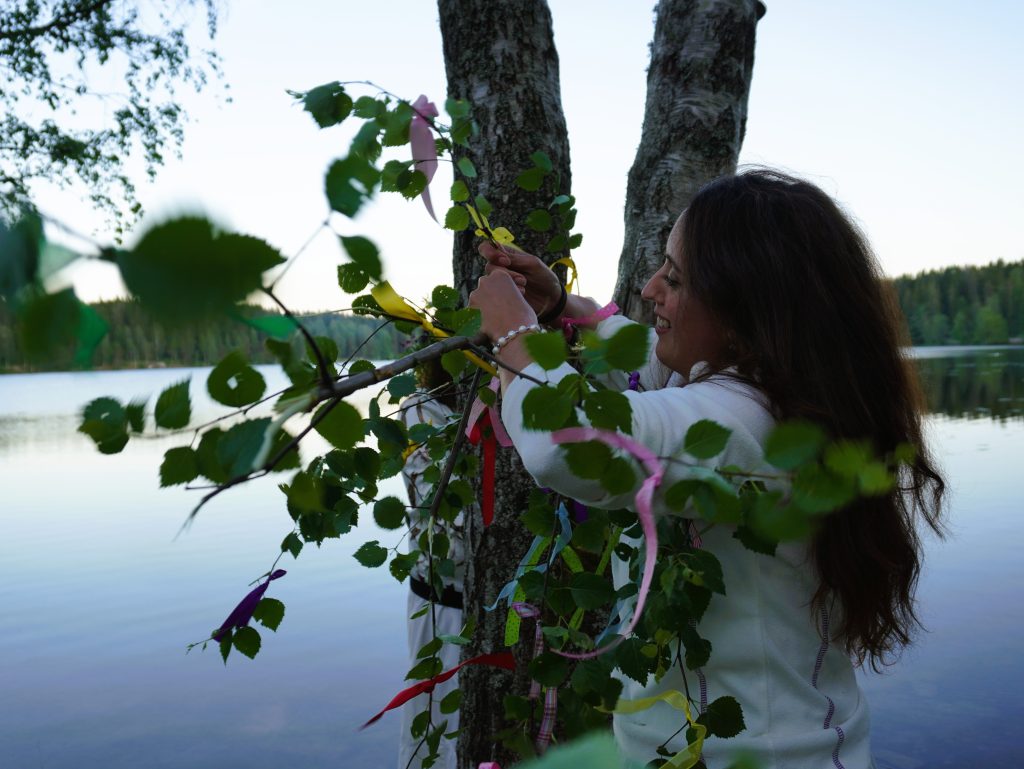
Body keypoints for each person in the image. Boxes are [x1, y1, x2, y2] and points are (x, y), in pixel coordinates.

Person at [468, 168, 945, 769]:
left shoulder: (747, 422)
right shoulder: (789, 391)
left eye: (675, 277)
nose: (650, 288)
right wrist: (567, 308)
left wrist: (513, 333)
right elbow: (653, 365)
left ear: (745, 305)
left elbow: (567, 446)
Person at [396, 356, 467, 769]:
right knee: (434, 724)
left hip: (497, 604)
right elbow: (452, 519)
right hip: (441, 603)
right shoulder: (421, 410)